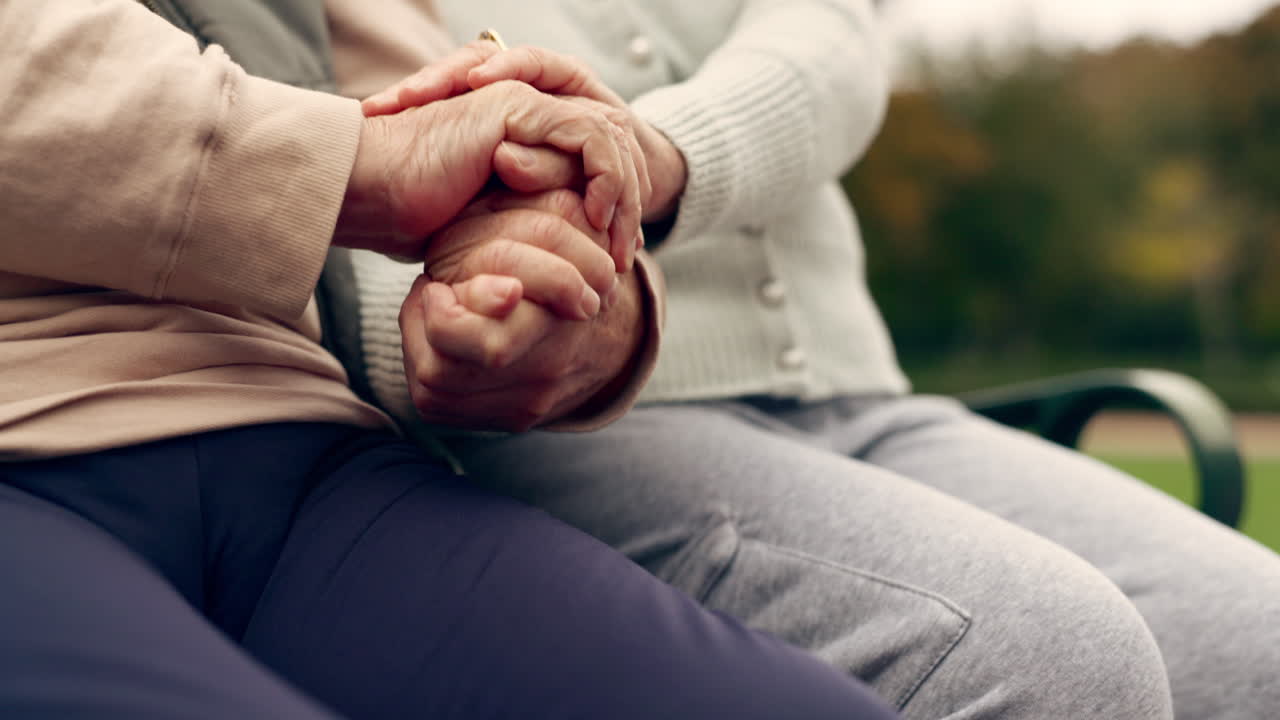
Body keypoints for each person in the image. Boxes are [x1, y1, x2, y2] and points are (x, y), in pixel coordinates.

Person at [357, 1, 1280, 718]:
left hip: (859, 394)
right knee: (1058, 660)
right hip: (581, 427)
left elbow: (829, 42)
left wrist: (645, 153)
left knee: (1262, 641)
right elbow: (349, 148)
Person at [0, 1, 904, 718]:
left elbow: (424, 117)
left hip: (298, 454)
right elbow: (385, 156)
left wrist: (562, 291)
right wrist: (366, 166)